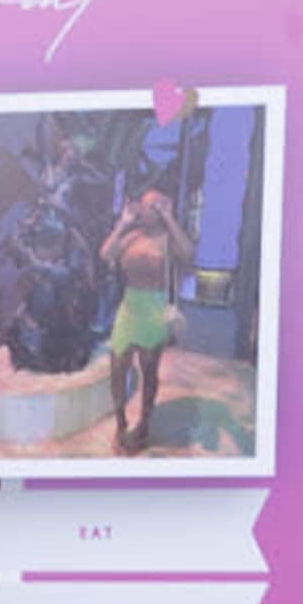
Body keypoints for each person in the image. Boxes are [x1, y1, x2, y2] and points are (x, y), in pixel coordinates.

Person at [97, 172, 192, 452]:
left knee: (149, 371)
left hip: (154, 307)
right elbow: (106, 254)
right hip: (130, 306)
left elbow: (187, 254)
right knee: (117, 368)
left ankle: (144, 424)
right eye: (145, 205)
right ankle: (121, 424)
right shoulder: (132, 235)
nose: (149, 210)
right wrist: (123, 223)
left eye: (156, 206)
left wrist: (170, 218)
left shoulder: (167, 238)